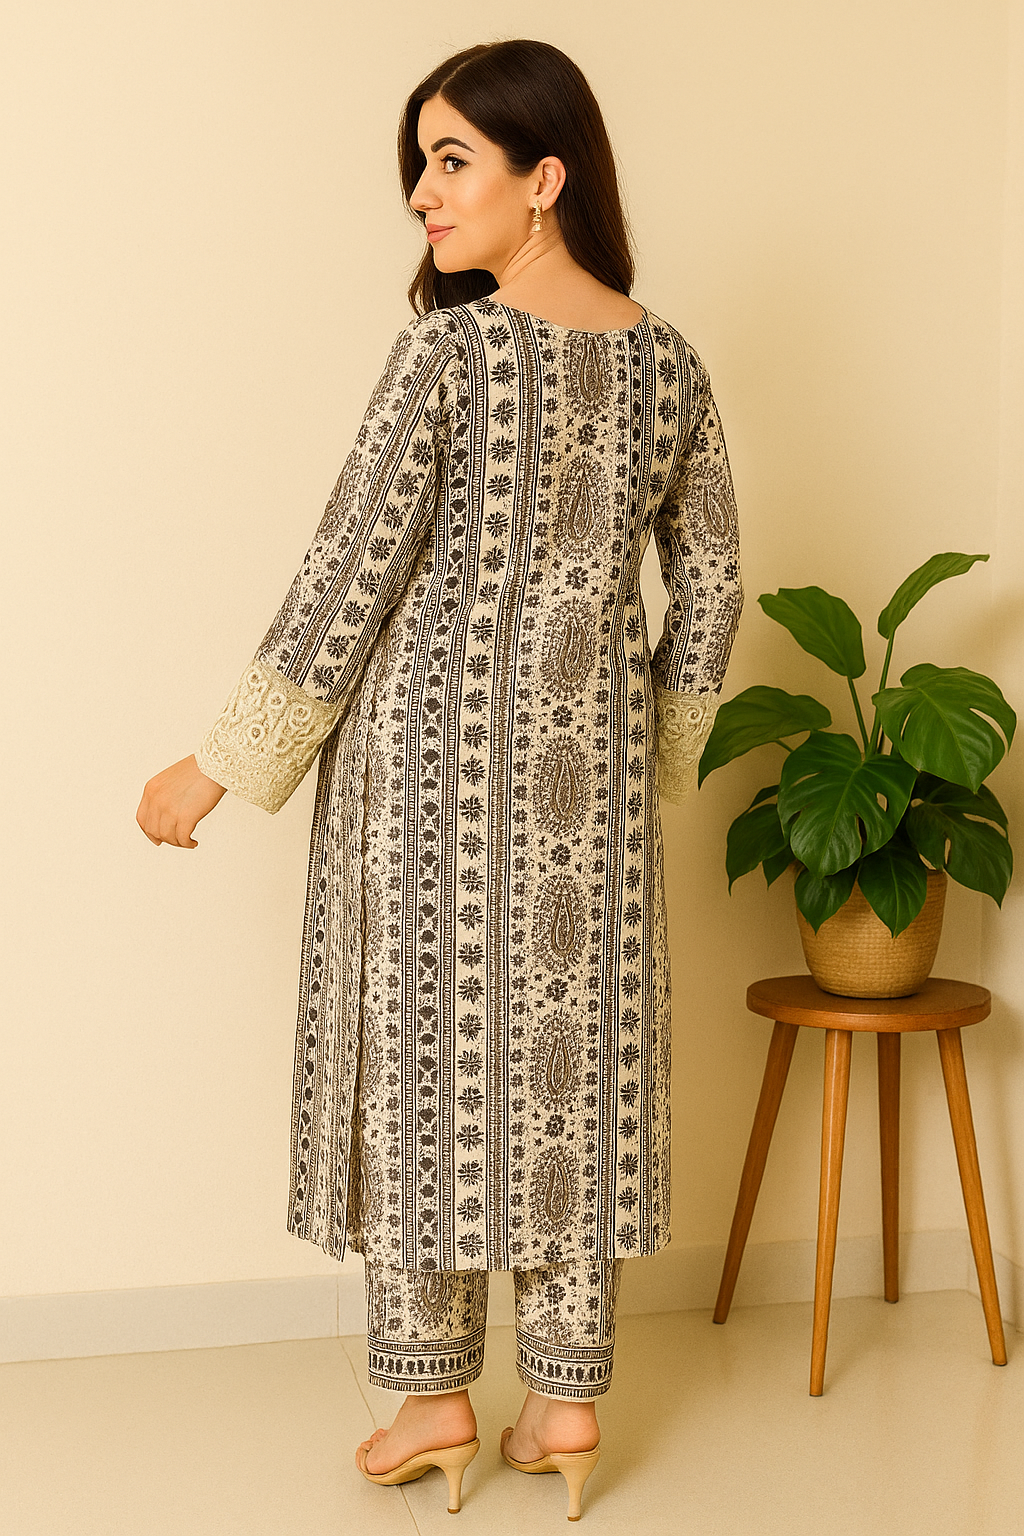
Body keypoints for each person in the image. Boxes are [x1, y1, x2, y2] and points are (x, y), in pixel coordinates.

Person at [137, 37, 743, 1522]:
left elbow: (352, 572)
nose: (422, 191)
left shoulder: (452, 355)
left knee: (428, 1072)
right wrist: (653, 757)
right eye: (420, 161)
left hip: (426, 781)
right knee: (571, 1077)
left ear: (547, 178)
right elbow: (715, 580)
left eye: (454, 159)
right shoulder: (668, 364)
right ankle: (567, 1404)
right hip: (589, 794)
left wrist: (217, 765)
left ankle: (429, 1403)